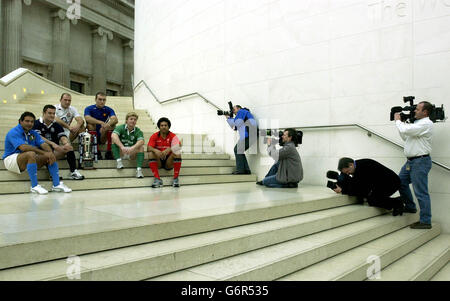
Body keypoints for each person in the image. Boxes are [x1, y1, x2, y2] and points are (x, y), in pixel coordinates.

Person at [2, 112, 72, 194]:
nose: (30, 124)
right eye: (27, 121)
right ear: (20, 121)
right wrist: (43, 153)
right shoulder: (14, 132)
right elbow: (23, 148)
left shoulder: (33, 133)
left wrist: (50, 153)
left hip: (25, 158)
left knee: (49, 154)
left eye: (32, 122)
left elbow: (44, 144)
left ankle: (56, 185)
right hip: (11, 159)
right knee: (31, 153)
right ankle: (34, 186)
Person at [395, 101, 434, 229]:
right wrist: (402, 124)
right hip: (410, 161)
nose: (414, 111)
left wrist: (398, 121)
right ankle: (411, 207)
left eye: (417, 109)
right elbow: (405, 136)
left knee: (421, 192)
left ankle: (425, 221)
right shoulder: (416, 124)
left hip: (420, 162)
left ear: (425, 112)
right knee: (400, 182)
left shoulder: (426, 123)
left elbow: (406, 130)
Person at [334, 157, 403, 216]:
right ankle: (395, 202)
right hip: (381, 183)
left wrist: (342, 190)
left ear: (351, 165)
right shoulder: (358, 166)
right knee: (372, 198)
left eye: (347, 171)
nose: (348, 174)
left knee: (373, 200)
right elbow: (356, 184)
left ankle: (397, 202)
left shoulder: (362, 168)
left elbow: (362, 190)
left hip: (391, 183)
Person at [33, 105, 84, 180]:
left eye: (53, 113)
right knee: (47, 148)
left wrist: (66, 143)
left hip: (53, 150)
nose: (52, 115)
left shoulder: (56, 125)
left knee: (69, 148)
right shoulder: (36, 123)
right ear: (43, 113)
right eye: (49, 113)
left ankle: (73, 172)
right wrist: (52, 144)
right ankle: (52, 174)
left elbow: (62, 136)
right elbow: (39, 137)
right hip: (39, 152)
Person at [147, 117, 182, 188]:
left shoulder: (172, 135)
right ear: (159, 127)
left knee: (177, 152)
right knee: (151, 153)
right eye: (161, 125)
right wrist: (155, 150)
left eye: (165, 125)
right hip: (158, 161)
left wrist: (170, 149)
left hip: (168, 162)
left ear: (168, 127)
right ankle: (157, 179)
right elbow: (148, 148)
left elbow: (179, 145)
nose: (163, 127)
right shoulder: (155, 135)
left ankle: (175, 179)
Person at [84, 92, 118, 160]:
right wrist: (101, 123)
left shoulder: (108, 109)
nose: (102, 101)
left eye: (104, 100)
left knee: (112, 125)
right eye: (100, 99)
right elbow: (87, 118)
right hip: (92, 134)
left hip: (103, 134)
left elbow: (115, 119)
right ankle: (96, 150)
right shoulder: (89, 108)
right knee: (90, 125)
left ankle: (109, 151)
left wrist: (106, 125)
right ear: (95, 99)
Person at [111, 112, 145, 178]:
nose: (133, 121)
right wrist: (122, 147)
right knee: (113, 139)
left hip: (131, 153)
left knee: (141, 147)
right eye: (131, 119)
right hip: (121, 152)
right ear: (126, 120)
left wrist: (132, 148)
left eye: (135, 119)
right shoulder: (120, 127)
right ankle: (119, 162)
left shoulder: (138, 131)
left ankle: (139, 171)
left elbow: (141, 141)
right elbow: (113, 135)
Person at [225, 105, 257, 174]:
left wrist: (230, 118)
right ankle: (246, 170)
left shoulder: (242, 111)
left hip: (249, 134)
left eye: (234, 109)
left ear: (238, 108)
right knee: (239, 150)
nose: (233, 111)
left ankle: (240, 170)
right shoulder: (242, 114)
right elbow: (234, 127)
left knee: (237, 149)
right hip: (250, 135)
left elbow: (237, 122)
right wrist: (228, 118)